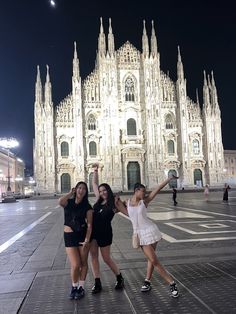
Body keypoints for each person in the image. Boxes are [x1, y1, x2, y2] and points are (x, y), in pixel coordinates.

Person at [115, 175, 179, 298]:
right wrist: (116, 201)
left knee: (154, 260)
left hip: (150, 230)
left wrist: (168, 179)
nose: (144, 193)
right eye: (142, 191)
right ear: (136, 190)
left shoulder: (144, 202)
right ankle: (147, 281)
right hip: (140, 234)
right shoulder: (127, 203)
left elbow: (158, 188)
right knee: (151, 259)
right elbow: (119, 209)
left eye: (145, 191)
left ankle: (172, 283)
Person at [89, 164, 124, 294]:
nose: (102, 192)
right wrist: (95, 171)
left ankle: (119, 277)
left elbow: (126, 211)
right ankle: (97, 282)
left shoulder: (114, 203)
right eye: (101, 190)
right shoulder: (98, 200)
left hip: (105, 233)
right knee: (93, 257)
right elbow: (94, 183)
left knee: (106, 258)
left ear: (108, 191)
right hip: (93, 233)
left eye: (104, 190)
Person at [59, 182, 93, 300]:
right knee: (75, 264)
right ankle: (74, 286)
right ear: (76, 189)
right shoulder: (68, 202)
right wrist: (70, 193)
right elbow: (60, 201)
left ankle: (81, 287)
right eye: (79, 188)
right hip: (69, 236)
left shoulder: (87, 207)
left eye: (84, 189)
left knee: (83, 263)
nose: (81, 190)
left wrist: (87, 240)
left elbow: (89, 225)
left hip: (82, 236)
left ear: (86, 192)